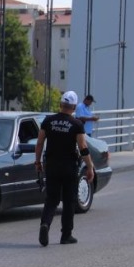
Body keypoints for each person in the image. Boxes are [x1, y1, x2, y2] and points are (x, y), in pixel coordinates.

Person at [35, 91, 95, 247]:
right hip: (69, 167)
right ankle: (66, 235)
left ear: (61, 104)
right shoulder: (76, 124)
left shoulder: (48, 121)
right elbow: (83, 147)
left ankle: (45, 224)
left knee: (52, 199)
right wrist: (90, 167)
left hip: (52, 165)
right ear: (74, 106)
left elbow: (40, 143)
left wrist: (37, 162)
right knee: (69, 201)